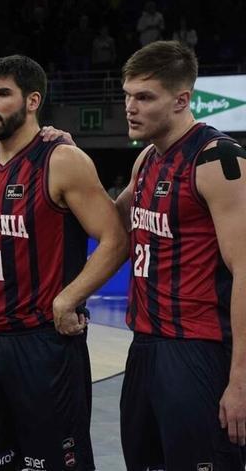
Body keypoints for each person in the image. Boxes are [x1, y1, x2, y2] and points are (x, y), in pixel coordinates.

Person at [0, 55, 128, 470]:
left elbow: (116, 240)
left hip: (42, 343)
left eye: (3, 94)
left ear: (33, 101)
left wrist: (69, 298)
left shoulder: (62, 160)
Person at [114, 40, 246, 469]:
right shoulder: (147, 161)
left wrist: (240, 381)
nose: (130, 107)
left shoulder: (218, 160)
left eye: (144, 97)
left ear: (182, 100)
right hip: (144, 347)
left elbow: (245, 271)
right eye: (127, 95)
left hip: (199, 350)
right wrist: (54, 150)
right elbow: (105, 223)